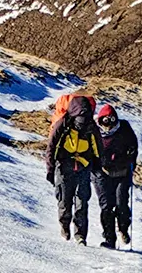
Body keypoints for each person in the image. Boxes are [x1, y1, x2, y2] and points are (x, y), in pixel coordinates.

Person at [46, 94, 100, 245]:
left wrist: (97, 166)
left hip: (83, 166)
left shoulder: (90, 126)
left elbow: (97, 147)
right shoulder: (62, 125)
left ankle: (80, 235)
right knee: (65, 200)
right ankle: (65, 227)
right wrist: (50, 170)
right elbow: (51, 147)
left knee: (82, 202)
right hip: (64, 166)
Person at [93, 103, 138, 250]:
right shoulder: (94, 131)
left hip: (122, 173)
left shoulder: (124, 128)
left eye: (111, 120)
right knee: (106, 206)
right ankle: (109, 239)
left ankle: (123, 228)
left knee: (121, 203)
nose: (108, 125)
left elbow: (133, 147)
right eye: (105, 120)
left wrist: (130, 159)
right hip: (102, 173)